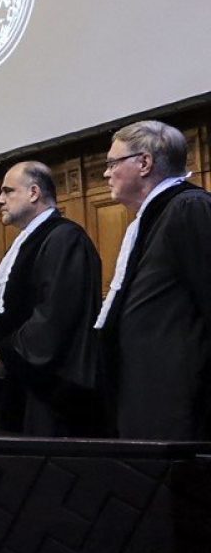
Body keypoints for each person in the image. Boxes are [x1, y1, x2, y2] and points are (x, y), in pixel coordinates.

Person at [0, 162, 105, 436]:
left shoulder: (65, 238)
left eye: (8, 192)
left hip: (51, 391)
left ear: (34, 193)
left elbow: (55, 315)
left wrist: (7, 356)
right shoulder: (28, 240)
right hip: (19, 384)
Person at [95, 120, 211, 440]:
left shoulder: (189, 207)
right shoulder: (155, 215)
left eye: (112, 163)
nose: (106, 173)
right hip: (147, 394)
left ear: (144, 163)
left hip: (178, 402)